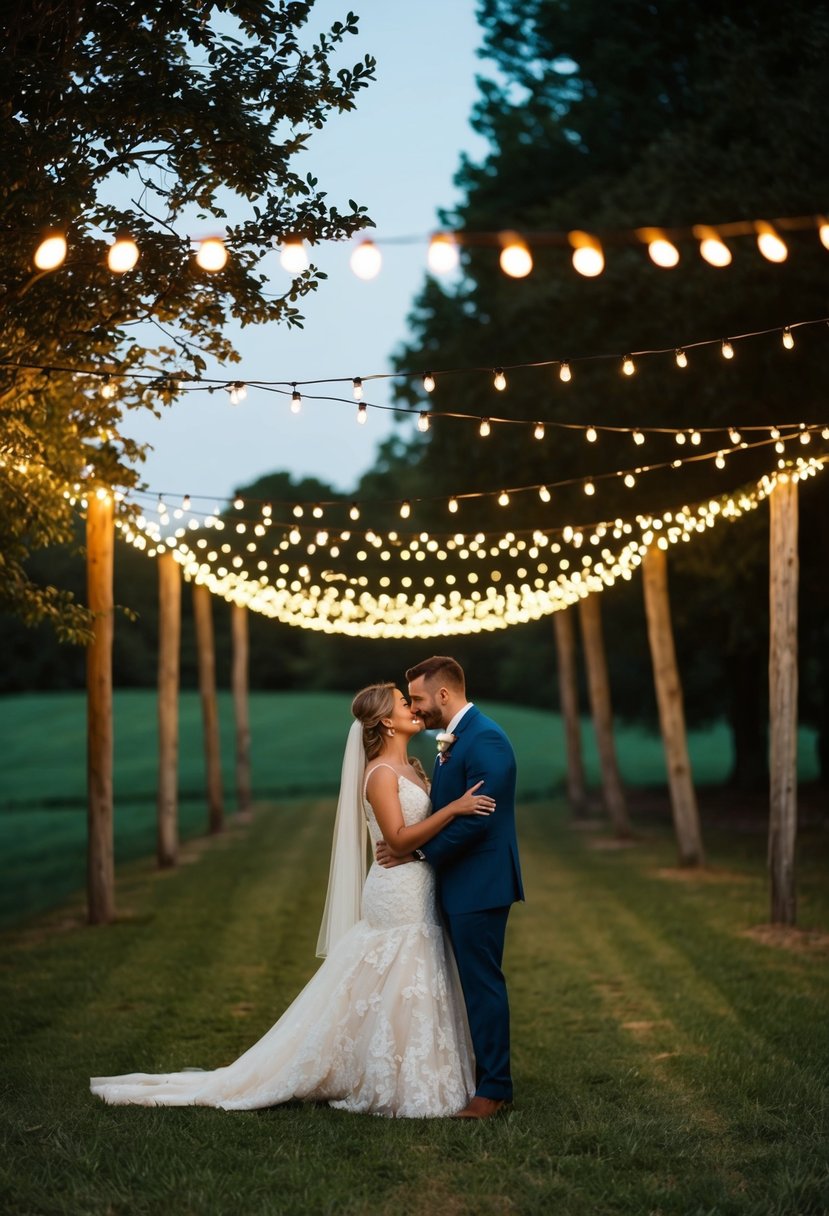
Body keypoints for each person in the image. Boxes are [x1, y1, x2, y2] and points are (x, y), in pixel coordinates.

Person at [90, 682, 496, 1118]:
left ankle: (405, 1067)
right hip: (396, 892)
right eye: (404, 703)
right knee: (398, 974)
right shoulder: (379, 773)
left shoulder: (416, 768)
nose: (413, 709)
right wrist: (452, 810)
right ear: (384, 721)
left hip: (418, 885)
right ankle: (386, 1075)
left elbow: (407, 841)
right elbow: (395, 839)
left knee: (407, 977)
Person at [377, 656, 523, 1120]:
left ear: (443, 694)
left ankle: (494, 1089)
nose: (415, 710)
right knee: (467, 986)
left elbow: (481, 819)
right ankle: (477, 1075)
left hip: (480, 883)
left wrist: (417, 853)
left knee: (482, 985)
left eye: (418, 699)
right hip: (456, 882)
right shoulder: (454, 740)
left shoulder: (487, 739)